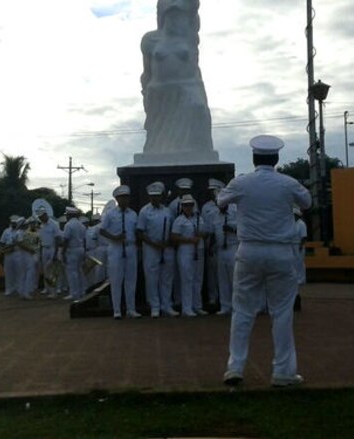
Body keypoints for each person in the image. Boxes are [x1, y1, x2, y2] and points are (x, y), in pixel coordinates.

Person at [218, 135, 312, 387]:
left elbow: (221, 200)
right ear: (277, 159)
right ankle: (283, 372)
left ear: (253, 157)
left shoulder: (242, 183)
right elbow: (308, 202)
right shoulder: (288, 183)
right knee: (281, 313)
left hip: (249, 251)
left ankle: (235, 367)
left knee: (242, 311)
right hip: (281, 252)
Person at [140, 0, 214, 157]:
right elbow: (147, 71)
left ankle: (200, 154)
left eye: (180, 14)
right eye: (172, 14)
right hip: (159, 92)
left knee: (198, 108)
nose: (176, 18)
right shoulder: (150, 40)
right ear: (163, 15)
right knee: (158, 141)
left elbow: (194, 5)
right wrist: (145, 92)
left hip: (187, 89)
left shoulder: (190, 37)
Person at [137, 181, 178, 318]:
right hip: (151, 249)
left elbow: (174, 229)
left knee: (167, 277)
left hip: (166, 248)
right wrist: (154, 244)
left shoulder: (168, 211)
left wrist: (169, 242)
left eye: (157, 196)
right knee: (152, 278)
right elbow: (140, 233)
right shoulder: (144, 211)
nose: (155, 198)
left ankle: (167, 305)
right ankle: (155, 306)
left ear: (162, 196)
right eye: (152, 196)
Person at [100, 185, 141, 319]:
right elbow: (102, 230)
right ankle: (117, 309)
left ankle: (131, 309)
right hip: (116, 247)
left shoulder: (133, 214)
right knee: (116, 279)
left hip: (130, 247)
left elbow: (137, 230)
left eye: (127, 197)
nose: (125, 200)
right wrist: (114, 237)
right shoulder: (110, 214)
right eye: (122, 197)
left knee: (131, 279)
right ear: (117, 199)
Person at [171, 194, 208, 317]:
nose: (188, 207)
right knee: (187, 279)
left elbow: (206, 232)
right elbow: (174, 236)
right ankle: (187, 307)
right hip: (185, 251)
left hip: (199, 249)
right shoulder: (179, 220)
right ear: (182, 207)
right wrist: (189, 240)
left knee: (198, 279)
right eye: (186, 205)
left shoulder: (199, 218)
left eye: (190, 205)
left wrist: (201, 234)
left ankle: (197, 306)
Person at [213, 201, 238, 315]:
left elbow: (243, 229)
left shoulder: (235, 212)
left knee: (234, 278)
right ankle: (225, 306)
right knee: (222, 278)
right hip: (220, 248)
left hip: (233, 247)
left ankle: (236, 306)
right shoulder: (216, 215)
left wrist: (231, 229)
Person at [202, 179, 224, 307]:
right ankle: (213, 297)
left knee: (225, 274)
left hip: (225, 243)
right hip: (210, 242)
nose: (212, 193)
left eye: (214, 190)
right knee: (212, 274)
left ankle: (224, 298)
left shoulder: (229, 205)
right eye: (211, 191)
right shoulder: (206, 207)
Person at [62, 207, 86, 300]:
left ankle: (74, 293)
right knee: (80, 271)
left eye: (67, 215)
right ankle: (82, 291)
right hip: (81, 249)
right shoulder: (81, 225)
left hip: (72, 250)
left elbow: (66, 240)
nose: (66, 216)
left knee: (72, 272)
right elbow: (84, 240)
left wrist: (63, 252)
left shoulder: (68, 225)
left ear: (70, 215)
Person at [37, 209, 62, 298]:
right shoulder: (41, 226)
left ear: (45, 215)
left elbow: (58, 239)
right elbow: (40, 240)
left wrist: (55, 253)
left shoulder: (54, 225)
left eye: (41, 217)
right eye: (39, 218)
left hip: (52, 248)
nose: (40, 219)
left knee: (53, 270)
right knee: (45, 270)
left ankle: (56, 289)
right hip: (44, 249)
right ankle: (47, 288)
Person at [0, 215, 21, 297]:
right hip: (8, 254)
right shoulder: (6, 231)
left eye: (15, 223)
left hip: (17, 253)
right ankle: (9, 289)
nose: (13, 224)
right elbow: (2, 242)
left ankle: (18, 288)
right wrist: (3, 251)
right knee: (8, 272)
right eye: (12, 223)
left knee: (18, 272)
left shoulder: (20, 231)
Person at [293, 207, 308, 287]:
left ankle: (301, 279)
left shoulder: (301, 224)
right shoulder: (293, 224)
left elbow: (304, 237)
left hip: (299, 244)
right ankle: (296, 279)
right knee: (294, 263)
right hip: (293, 244)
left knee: (299, 262)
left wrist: (301, 246)